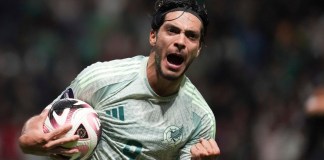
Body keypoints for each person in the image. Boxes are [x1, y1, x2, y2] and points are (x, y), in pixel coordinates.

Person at [18, 0, 221, 159]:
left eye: (191, 36)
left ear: (199, 49)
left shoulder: (199, 119)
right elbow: (44, 118)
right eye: (172, 30)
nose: (180, 42)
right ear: (153, 36)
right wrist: (30, 137)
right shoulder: (101, 79)